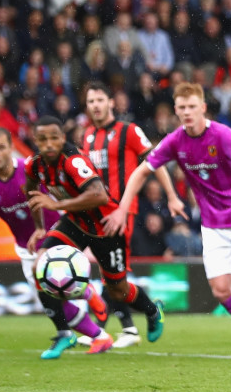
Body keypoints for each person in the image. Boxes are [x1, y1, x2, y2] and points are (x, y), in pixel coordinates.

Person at [103, 82, 231, 359]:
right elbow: (142, 171)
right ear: (176, 110)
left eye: (192, 107)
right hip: (212, 225)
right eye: (182, 108)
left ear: (202, 108)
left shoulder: (222, 135)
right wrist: (121, 208)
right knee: (222, 291)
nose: (187, 112)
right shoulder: (176, 140)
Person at [0, 127, 112, 359]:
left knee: (50, 290)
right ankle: (92, 316)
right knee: (50, 296)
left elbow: (60, 188)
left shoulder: (30, 168)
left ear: (10, 148)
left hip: (57, 235)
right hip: (26, 247)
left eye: (1, 147)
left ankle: (75, 330)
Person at [24, 116, 165, 356]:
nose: (48, 144)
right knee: (40, 266)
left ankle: (152, 310)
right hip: (75, 222)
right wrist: (39, 227)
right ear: (35, 140)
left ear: (62, 139)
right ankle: (63, 334)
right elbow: (31, 191)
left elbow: (99, 195)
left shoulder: (73, 160)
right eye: (42, 139)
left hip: (106, 225)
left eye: (54, 138)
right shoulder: (34, 164)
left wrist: (58, 205)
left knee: (117, 291)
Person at [78, 81, 178, 349]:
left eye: (100, 100)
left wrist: (171, 195)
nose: (96, 106)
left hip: (121, 213)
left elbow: (156, 163)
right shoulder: (86, 136)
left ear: (111, 102)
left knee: (113, 277)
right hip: (93, 215)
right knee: (112, 278)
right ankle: (132, 325)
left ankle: (100, 330)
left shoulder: (129, 131)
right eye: (91, 102)